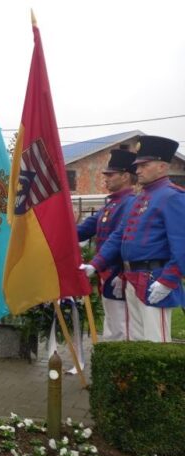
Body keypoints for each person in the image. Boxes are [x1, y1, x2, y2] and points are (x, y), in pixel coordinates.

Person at [83, 136, 185, 342]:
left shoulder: (172, 196)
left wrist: (168, 280)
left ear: (162, 166)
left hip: (155, 279)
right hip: (133, 278)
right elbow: (119, 236)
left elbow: (182, 245)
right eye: (138, 165)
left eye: (144, 165)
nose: (137, 170)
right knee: (136, 342)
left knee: (156, 346)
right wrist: (95, 264)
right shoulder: (141, 198)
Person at [76, 149, 137, 341]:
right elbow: (82, 231)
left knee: (121, 329)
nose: (106, 179)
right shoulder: (111, 204)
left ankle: (121, 370)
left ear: (126, 176)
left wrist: (112, 270)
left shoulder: (130, 203)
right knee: (112, 326)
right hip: (106, 274)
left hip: (119, 275)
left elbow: (122, 241)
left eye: (111, 175)